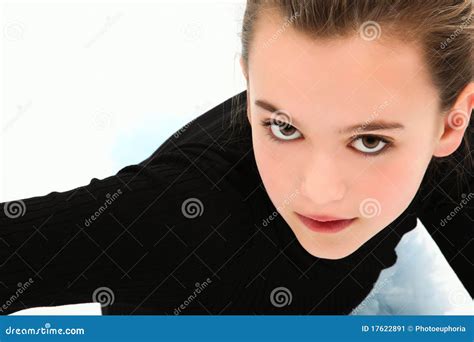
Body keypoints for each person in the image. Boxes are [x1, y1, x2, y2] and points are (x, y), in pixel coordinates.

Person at [0, 0, 472, 315]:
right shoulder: (179, 213)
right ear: (250, 84)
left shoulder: (451, 151)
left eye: (370, 141)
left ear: (453, 122)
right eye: (283, 127)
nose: (317, 191)